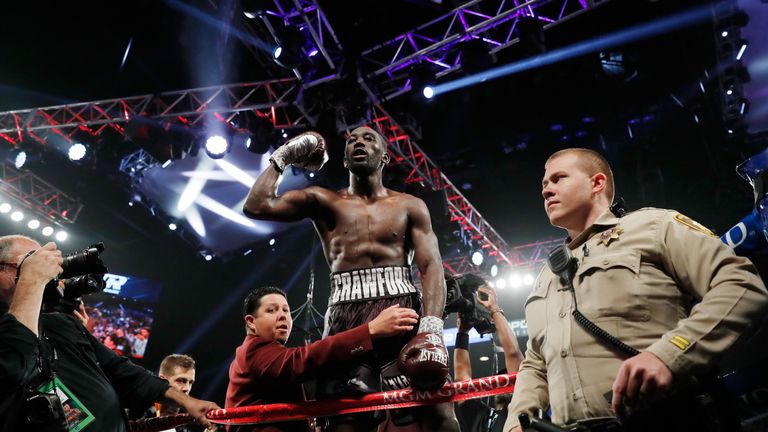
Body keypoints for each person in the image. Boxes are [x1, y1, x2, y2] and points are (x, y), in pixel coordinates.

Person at [504, 148, 768, 431]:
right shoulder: (545, 276)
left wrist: (667, 356)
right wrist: (516, 420)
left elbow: (741, 284)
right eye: (544, 184)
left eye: (558, 179)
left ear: (597, 183)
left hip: (663, 420)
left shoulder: (654, 226)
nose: (546, 191)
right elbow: (536, 362)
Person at [243, 127, 459, 431]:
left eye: (369, 138)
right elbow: (256, 205)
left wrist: (432, 328)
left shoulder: (410, 205)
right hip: (348, 322)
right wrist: (285, 156)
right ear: (344, 159)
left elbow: (432, 265)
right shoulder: (324, 200)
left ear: (384, 156)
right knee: (345, 423)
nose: (359, 142)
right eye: (352, 140)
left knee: (439, 415)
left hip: (403, 316)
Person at [0, 235, 220, 431]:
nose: (44, 267)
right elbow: (14, 368)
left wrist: (186, 401)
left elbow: (123, 370)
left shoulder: (61, 323)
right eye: (30, 261)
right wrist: (31, 281)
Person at [225, 286, 419, 432]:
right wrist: (370, 330)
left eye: (286, 310)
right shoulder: (253, 348)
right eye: (272, 310)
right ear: (251, 322)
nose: (283, 316)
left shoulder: (268, 354)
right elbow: (298, 362)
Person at [453, 285, 522, 432]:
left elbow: (513, 354)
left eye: (507, 380)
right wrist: (463, 332)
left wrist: (494, 309)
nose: (504, 382)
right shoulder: (481, 417)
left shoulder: (521, 410)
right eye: (502, 380)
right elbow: (462, 381)